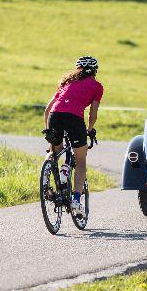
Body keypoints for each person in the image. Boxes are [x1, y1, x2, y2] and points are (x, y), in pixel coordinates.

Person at [44, 56, 103, 217]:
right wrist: (89, 129)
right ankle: (76, 199)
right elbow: (92, 114)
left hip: (54, 117)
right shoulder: (97, 86)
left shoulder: (66, 82)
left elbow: (47, 110)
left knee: (54, 151)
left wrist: (47, 130)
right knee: (81, 160)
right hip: (74, 119)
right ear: (94, 71)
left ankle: (47, 181)